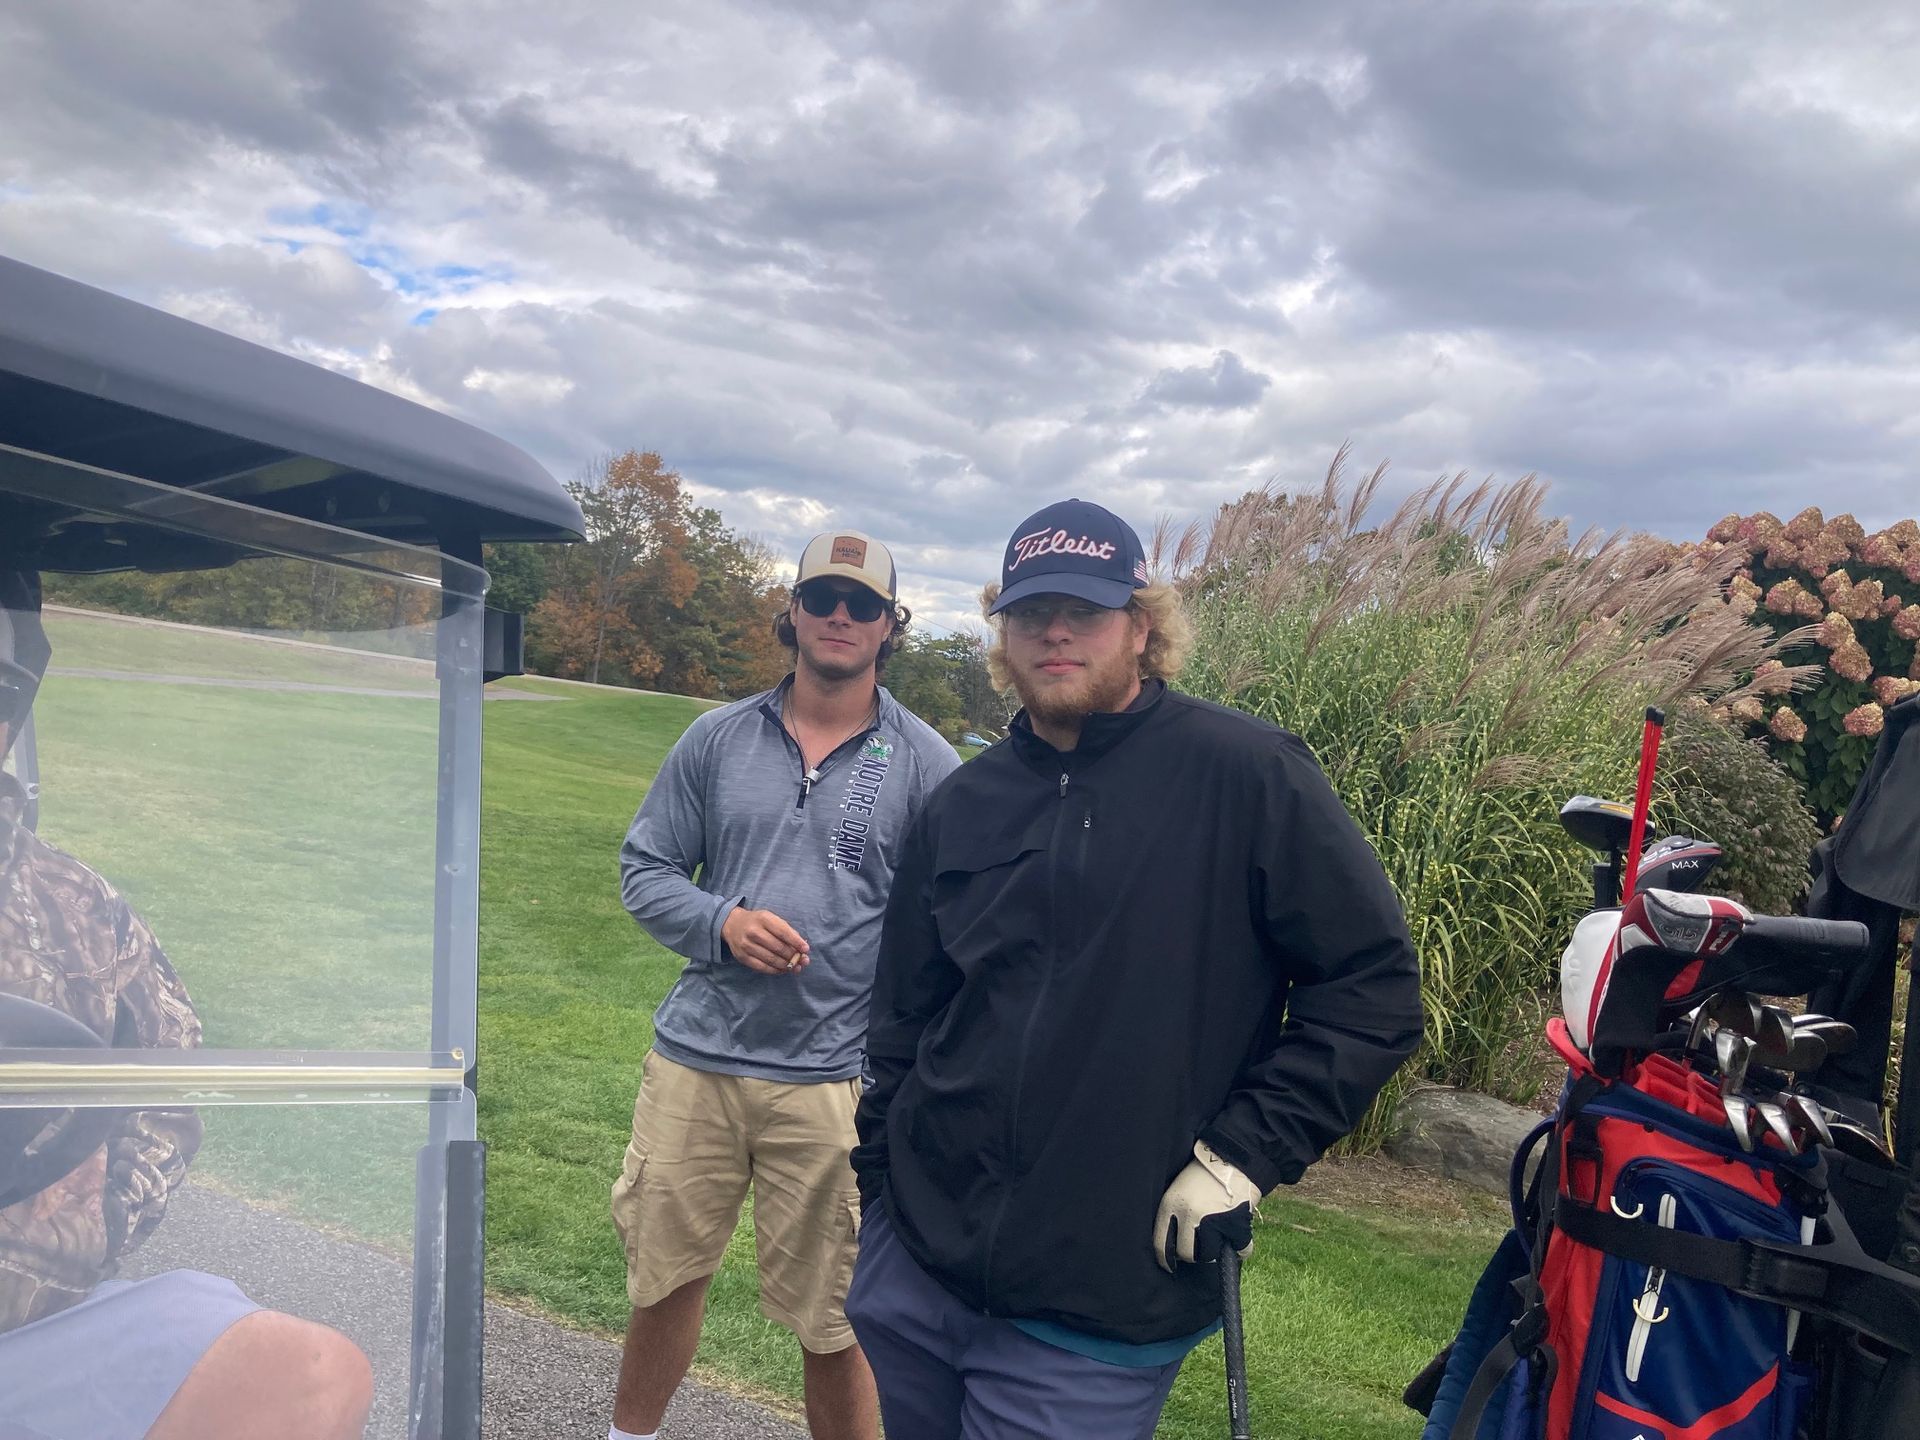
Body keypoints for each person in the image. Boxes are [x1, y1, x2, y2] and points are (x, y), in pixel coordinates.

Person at [845, 499, 1425, 1439]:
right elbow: (905, 1012)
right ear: (1004, 634)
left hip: (1102, 1300)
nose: (1056, 632)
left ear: (1142, 627)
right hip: (915, 1269)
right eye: (1031, 613)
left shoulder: (1248, 774)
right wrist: (882, 1190)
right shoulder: (965, 801)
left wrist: (1243, 1156)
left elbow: (1373, 991)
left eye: (1086, 610)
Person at [0, 571, 373, 1440]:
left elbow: (167, 1079)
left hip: (30, 1328)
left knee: (310, 1373)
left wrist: (103, 1219)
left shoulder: (79, 908)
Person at [609, 530, 960, 1440]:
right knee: (663, 1283)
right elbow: (645, 870)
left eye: (864, 603)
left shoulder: (927, 763)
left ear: (890, 626)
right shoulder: (717, 737)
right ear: (793, 612)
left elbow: (955, 929)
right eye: (824, 597)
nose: (842, 615)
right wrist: (721, 923)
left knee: (838, 1322)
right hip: (696, 1065)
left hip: (837, 1083)